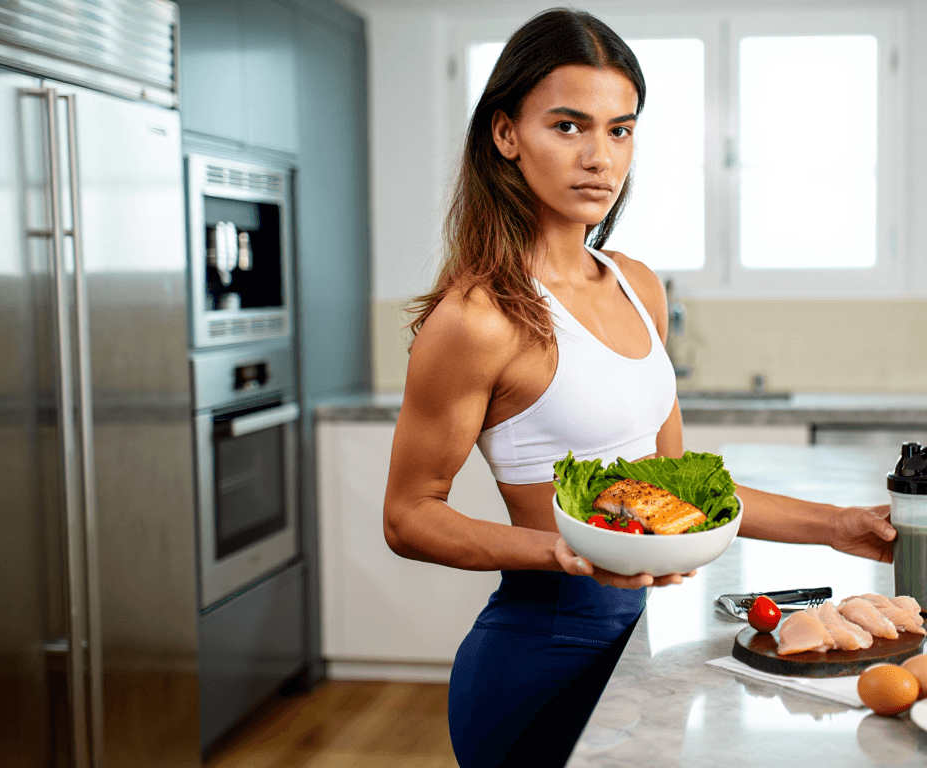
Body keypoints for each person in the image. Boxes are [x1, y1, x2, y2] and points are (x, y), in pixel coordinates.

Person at [383, 9, 899, 767]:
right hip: (540, 659)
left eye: (619, 129)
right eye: (568, 126)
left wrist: (838, 524)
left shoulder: (637, 285)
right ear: (505, 135)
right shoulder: (481, 318)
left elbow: (670, 493)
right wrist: (558, 551)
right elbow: (408, 517)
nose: (600, 157)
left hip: (639, 646)